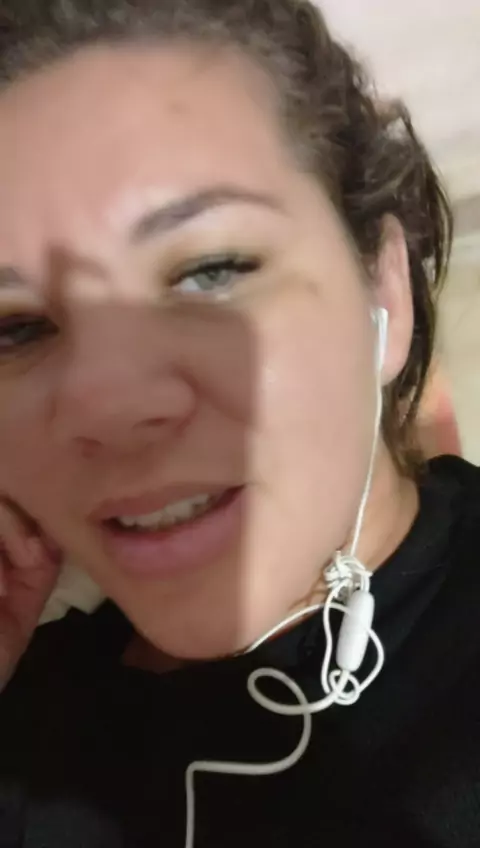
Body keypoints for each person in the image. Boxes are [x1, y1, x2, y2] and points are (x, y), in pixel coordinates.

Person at [0, 1, 478, 846]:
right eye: (17, 328)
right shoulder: (30, 712)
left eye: (211, 270)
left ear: (385, 289)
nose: (108, 405)